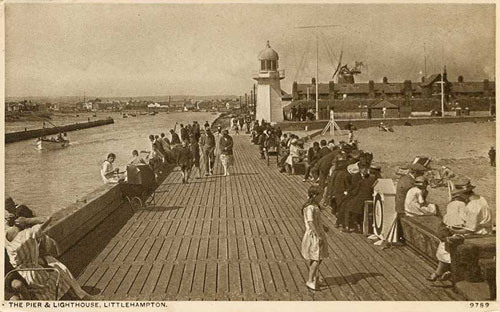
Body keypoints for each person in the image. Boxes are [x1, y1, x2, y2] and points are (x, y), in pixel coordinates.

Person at [5, 205, 94, 300]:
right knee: (57, 275)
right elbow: (48, 218)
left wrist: (8, 220)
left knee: (55, 267)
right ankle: (72, 298)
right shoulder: (29, 233)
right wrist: (28, 220)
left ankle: (74, 296)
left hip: (19, 272)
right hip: (32, 274)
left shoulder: (5, 233)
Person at [301, 185, 329, 291]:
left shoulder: (315, 206)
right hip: (313, 235)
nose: (322, 197)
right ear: (314, 195)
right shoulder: (310, 208)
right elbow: (310, 222)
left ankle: (315, 276)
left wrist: (324, 227)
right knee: (316, 258)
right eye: (320, 195)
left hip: (318, 232)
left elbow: (316, 221)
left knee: (318, 257)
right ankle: (310, 280)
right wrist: (318, 234)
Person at [343, 167, 377, 233]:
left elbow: (355, 192)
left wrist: (348, 193)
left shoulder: (361, 181)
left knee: (347, 207)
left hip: (360, 201)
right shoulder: (374, 180)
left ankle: (348, 227)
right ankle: (356, 225)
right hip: (370, 199)